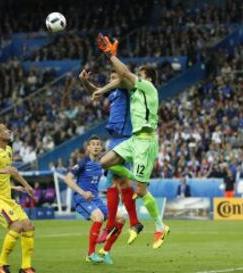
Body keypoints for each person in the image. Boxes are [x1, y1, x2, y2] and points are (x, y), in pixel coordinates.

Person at [93, 33, 170, 249]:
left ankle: (160, 226)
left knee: (141, 190)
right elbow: (120, 78)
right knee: (105, 162)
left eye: (141, 75)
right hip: (134, 139)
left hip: (145, 142)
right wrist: (100, 87)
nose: (137, 76)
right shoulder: (135, 89)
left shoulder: (149, 88)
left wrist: (110, 55)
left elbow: (124, 73)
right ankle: (137, 179)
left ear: (149, 78)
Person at [79, 69, 142, 245]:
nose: (112, 80)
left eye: (114, 77)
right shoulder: (114, 93)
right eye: (111, 78)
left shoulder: (126, 87)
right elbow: (96, 91)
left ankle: (111, 225)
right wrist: (85, 82)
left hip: (125, 138)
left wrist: (102, 88)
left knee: (110, 176)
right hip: (115, 139)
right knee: (120, 183)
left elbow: (115, 82)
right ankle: (135, 222)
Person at [0, 122, 36, 273]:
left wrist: (27, 186)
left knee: (29, 227)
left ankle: (26, 267)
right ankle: (1, 264)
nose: (9, 130)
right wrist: (1, 170)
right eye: (5, 129)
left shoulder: (9, 150)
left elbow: (12, 171)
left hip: (7, 198)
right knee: (16, 226)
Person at [64, 135, 125, 264]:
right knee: (99, 217)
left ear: (101, 147)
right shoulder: (82, 163)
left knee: (120, 218)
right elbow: (67, 178)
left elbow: (112, 178)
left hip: (96, 199)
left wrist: (119, 192)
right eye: (93, 144)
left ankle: (105, 251)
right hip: (82, 199)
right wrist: (82, 192)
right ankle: (91, 254)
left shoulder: (102, 164)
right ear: (88, 148)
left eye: (98, 144)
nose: (96, 146)